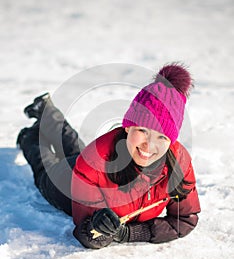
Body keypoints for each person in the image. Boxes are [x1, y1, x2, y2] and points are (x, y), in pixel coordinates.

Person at [17, 63, 201, 249]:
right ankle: (29, 137)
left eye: (162, 136)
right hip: (67, 183)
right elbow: (87, 233)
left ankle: (45, 109)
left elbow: (184, 220)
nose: (150, 144)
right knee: (45, 167)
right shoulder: (95, 161)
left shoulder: (179, 162)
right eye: (143, 130)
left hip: (85, 164)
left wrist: (130, 233)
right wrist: (97, 225)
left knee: (75, 151)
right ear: (128, 126)